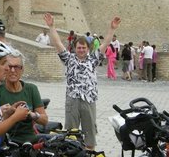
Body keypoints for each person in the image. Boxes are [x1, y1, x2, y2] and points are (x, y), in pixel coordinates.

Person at [44, 13, 121, 149]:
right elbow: (57, 43)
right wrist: (52, 27)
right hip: (72, 99)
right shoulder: (69, 59)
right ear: (74, 48)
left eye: (83, 48)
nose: (81, 50)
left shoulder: (93, 59)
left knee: (90, 133)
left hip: (89, 100)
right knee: (70, 134)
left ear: (88, 49)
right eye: (79, 48)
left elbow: (106, 43)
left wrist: (112, 29)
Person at [0, 50, 50, 157]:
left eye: (17, 67)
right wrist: (4, 113)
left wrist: (31, 114)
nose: (13, 70)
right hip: (7, 148)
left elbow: (44, 120)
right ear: (5, 69)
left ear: (22, 70)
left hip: (29, 145)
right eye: (9, 66)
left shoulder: (31, 89)